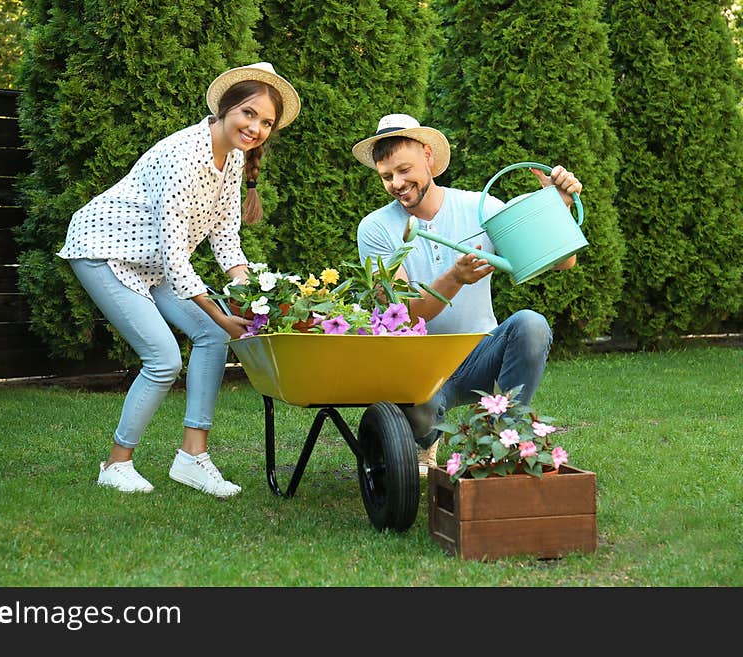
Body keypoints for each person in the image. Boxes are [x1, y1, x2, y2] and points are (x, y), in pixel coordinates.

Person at [57, 62, 300, 497]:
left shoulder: (233, 157)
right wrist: (220, 312)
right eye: (248, 113)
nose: (256, 127)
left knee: (211, 334)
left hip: (152, 260)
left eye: (266, 122)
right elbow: (176, 258)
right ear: (225, 108)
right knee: (164, 359)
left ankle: (191, 457)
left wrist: (252, 296)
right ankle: (115, 464)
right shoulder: (184, 156)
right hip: (104, 251)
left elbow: (226, 240)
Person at [352, 114, 582, 476]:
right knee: (418, 396)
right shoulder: (376, 228)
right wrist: (454, 279)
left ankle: (504, 439)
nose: (397, 183)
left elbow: (561, 261)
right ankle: (425, 441)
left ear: (428, 155)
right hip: (418, 366)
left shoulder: (481, 209)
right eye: (386, 176)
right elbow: (404, 314)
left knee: (531, 324)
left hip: (478, 354)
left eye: (404, 169)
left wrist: (560, 206)